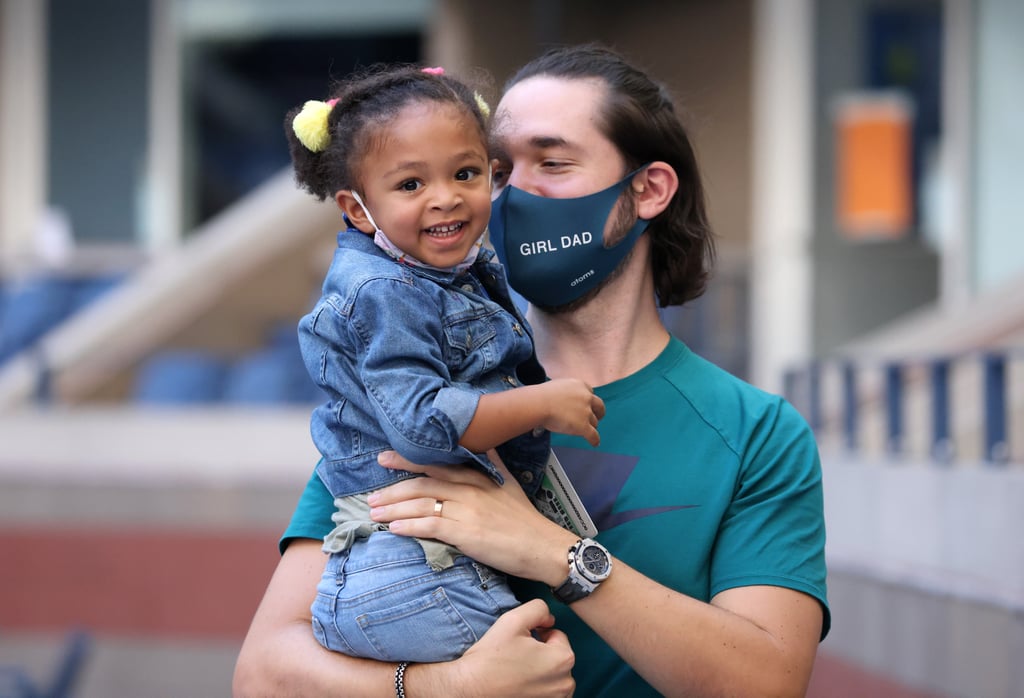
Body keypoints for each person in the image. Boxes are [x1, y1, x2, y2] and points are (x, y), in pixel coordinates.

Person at [235, 43, 829, 697]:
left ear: (649, 189)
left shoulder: (756, 433)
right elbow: (264, 676)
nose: (511, 191)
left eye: (551, 161)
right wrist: (443, 687)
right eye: (496, 168)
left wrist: (550, 552)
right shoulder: (398, 397)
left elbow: (766, 682)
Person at [282, 64, 605, 664]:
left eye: (466, 172)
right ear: (357, 209)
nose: (446, 196)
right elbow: (423, 426)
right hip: (417, 571)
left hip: (421, 563)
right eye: (410, 185)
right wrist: (543, 402)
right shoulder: (384, 290)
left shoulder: (445, 274)